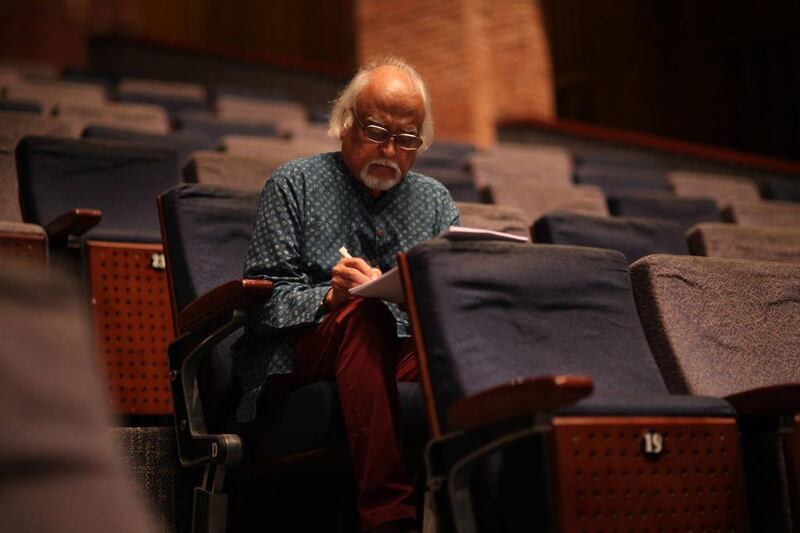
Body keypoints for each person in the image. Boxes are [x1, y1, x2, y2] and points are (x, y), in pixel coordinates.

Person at [234, 57, 460, 532]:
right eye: (377, 130)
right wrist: (330, 298)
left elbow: (450, 305)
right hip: (297, 352)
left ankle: (485, 505)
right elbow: (262, 304)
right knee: (363, 311)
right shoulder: (293, 184)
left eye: (407, 139)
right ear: (345, 124)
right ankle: (389, 518)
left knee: (469, 346)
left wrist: (406, 297)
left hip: (392, 348)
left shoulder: (436, 202)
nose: (390, 150)